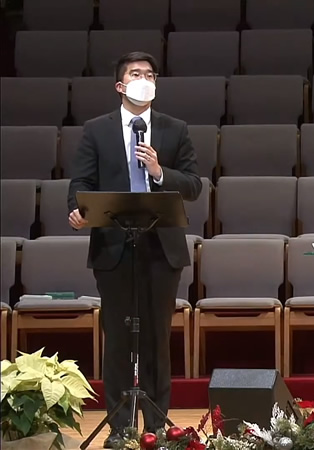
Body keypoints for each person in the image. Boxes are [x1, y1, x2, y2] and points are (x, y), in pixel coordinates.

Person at [67, 52, 201, 448]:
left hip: (161, 249)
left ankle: (157, 426)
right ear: (120, 85)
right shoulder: (97, 130)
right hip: (114, 249)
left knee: (157, 338)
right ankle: (120, 427)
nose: (144, 79)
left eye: (150, 74)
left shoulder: (175, 129)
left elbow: (193, 185)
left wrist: (159, 172)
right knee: (119, 339)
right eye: (136, 73)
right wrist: (77, 210)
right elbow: (81, 183)